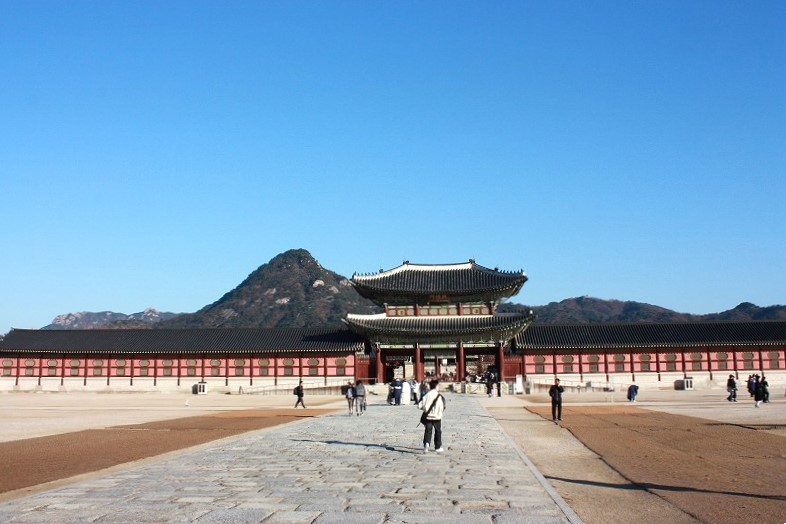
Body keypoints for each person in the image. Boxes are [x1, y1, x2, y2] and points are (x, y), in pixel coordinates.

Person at [418, 379, 446, 453]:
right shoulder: (438, 396)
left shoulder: (427, 395)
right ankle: (438, 447)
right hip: (437, 417)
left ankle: (426, 444)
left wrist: (425, 409)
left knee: (428, 431)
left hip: (428, 416)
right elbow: (441, 406)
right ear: (436, 386)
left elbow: (420, 405)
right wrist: (440, 413)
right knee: (438, 431)